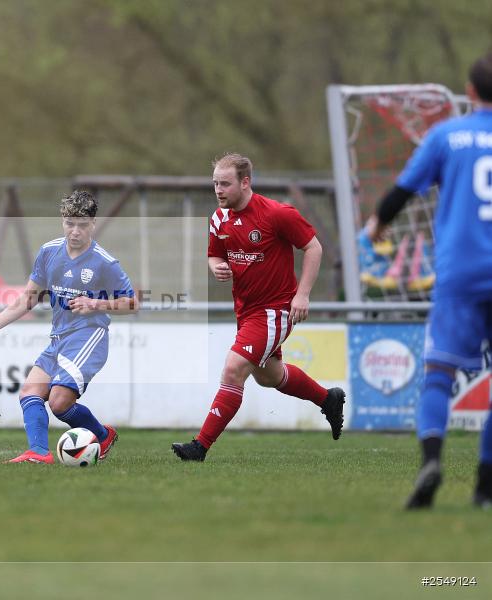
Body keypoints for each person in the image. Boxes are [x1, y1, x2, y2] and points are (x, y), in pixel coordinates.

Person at [366, 51, 492, 509]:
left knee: (439, 371)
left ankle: (431, 461)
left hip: (459, 272)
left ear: (470, 92)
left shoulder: (448, 135)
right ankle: (485, 486)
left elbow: (402, 192)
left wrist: (378, 224)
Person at [172, 153, 346, 462]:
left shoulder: (277, 214)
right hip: (246, 310)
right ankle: (327, 399)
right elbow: (214, 254)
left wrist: (302, 295)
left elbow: (313, 247)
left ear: (245, 182)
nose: (218, 190)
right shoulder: (219, 218)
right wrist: (216, 266)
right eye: (215, 183)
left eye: (225, 183)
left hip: (274, 310)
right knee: (269, 376)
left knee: (233, 368)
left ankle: (199, 447)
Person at [0, 190, 137, 463]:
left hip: (89, 336)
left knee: (58, 403)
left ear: (93, 224)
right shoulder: (49, 252)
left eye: (82, 225)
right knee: (29, 392)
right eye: (69, 223)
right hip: (59, 337)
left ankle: (100, 435)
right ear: (62, 221)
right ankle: (39, 453)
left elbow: (133, 303)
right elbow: (28, 298)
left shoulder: (104, 262)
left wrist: (96, 304)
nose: (75, 231)